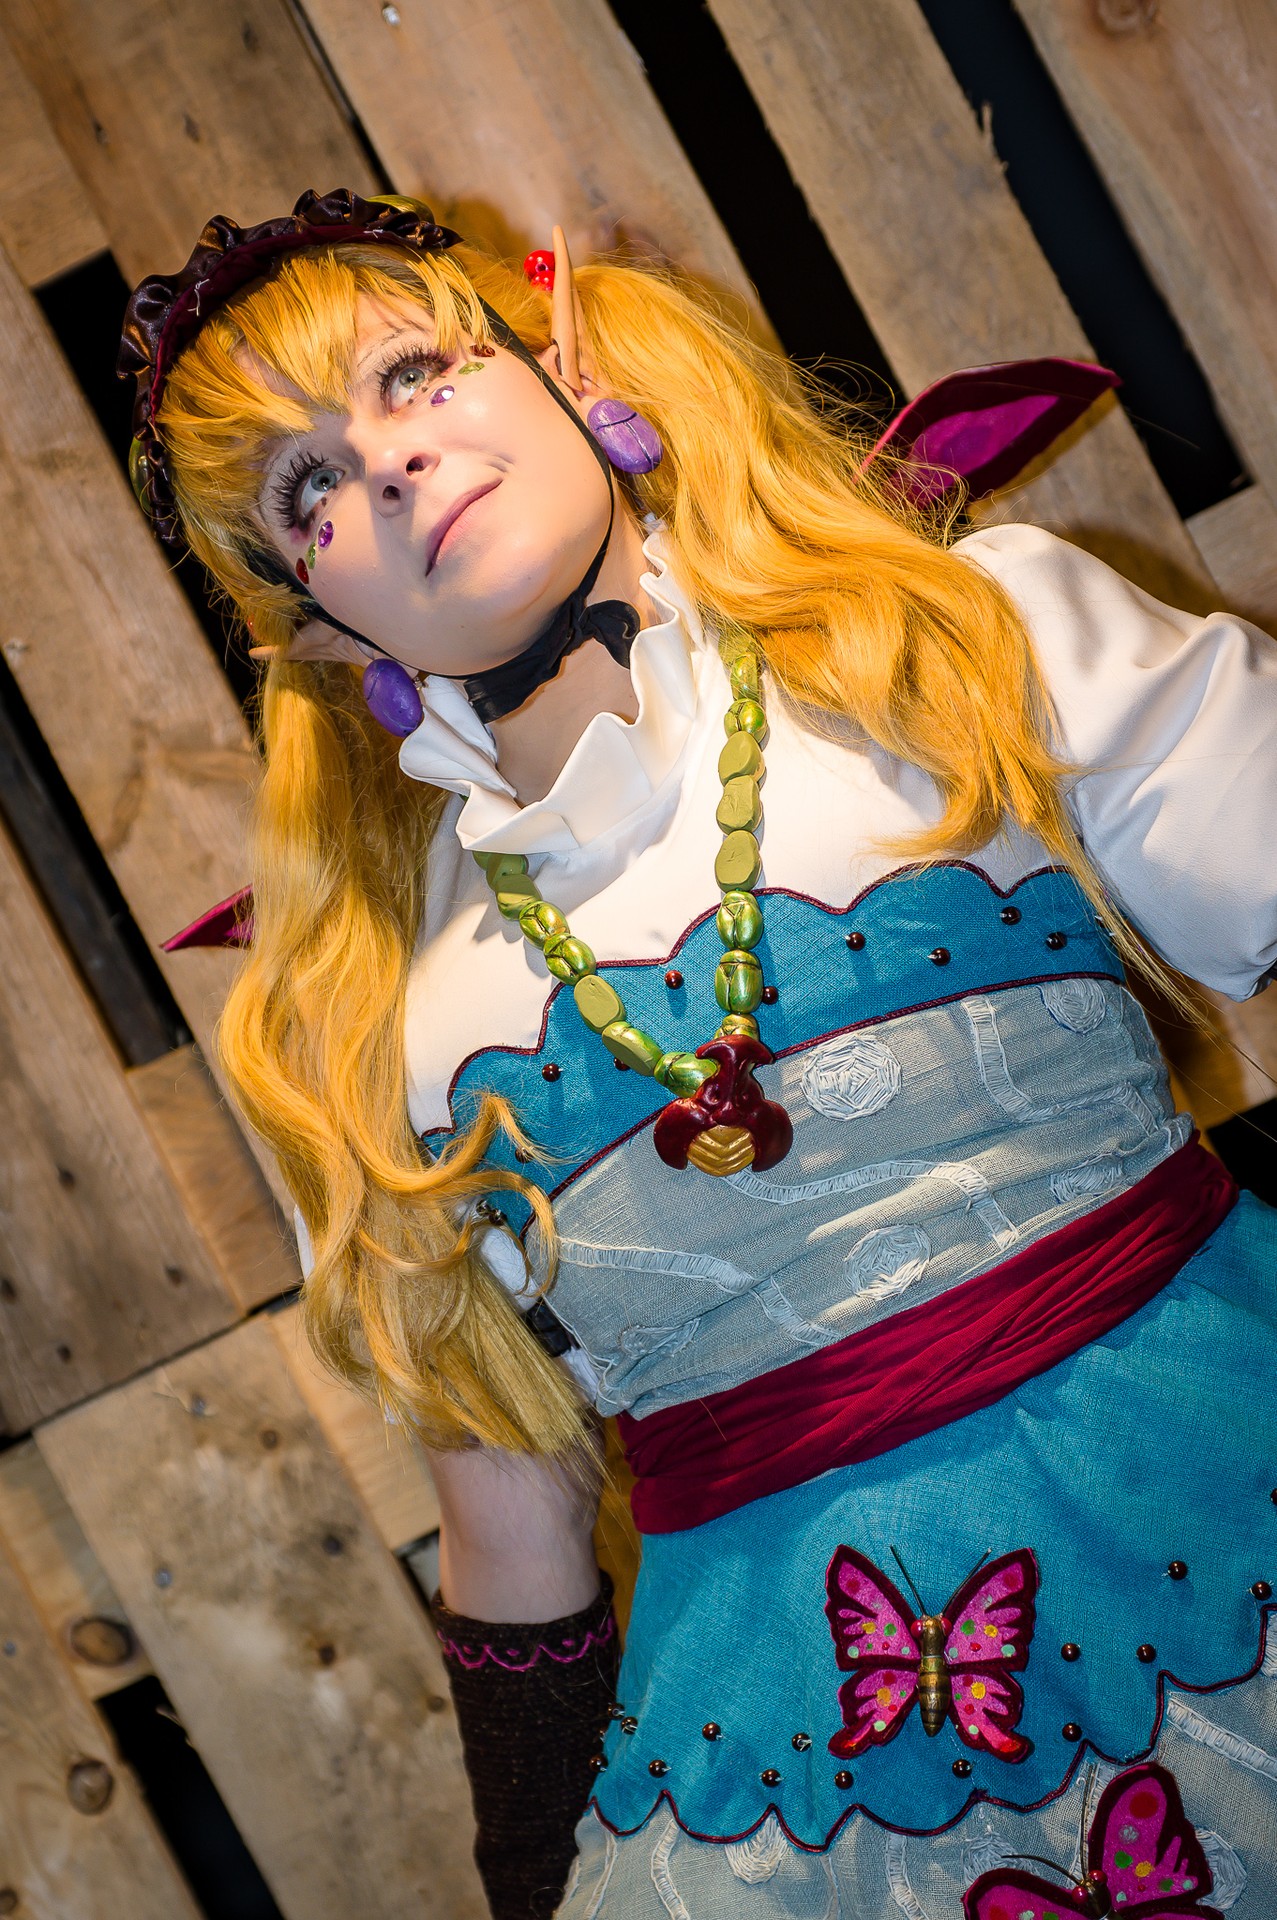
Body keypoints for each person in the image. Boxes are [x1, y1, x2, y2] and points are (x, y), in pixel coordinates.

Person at [121, 189, 1277, 1919]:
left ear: (557, 352)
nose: (390, 461)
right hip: (796, 1770)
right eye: (309, 489)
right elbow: (510, 1528)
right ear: (318, 623)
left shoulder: (954, 632)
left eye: (414, 373)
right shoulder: (368, 1030)